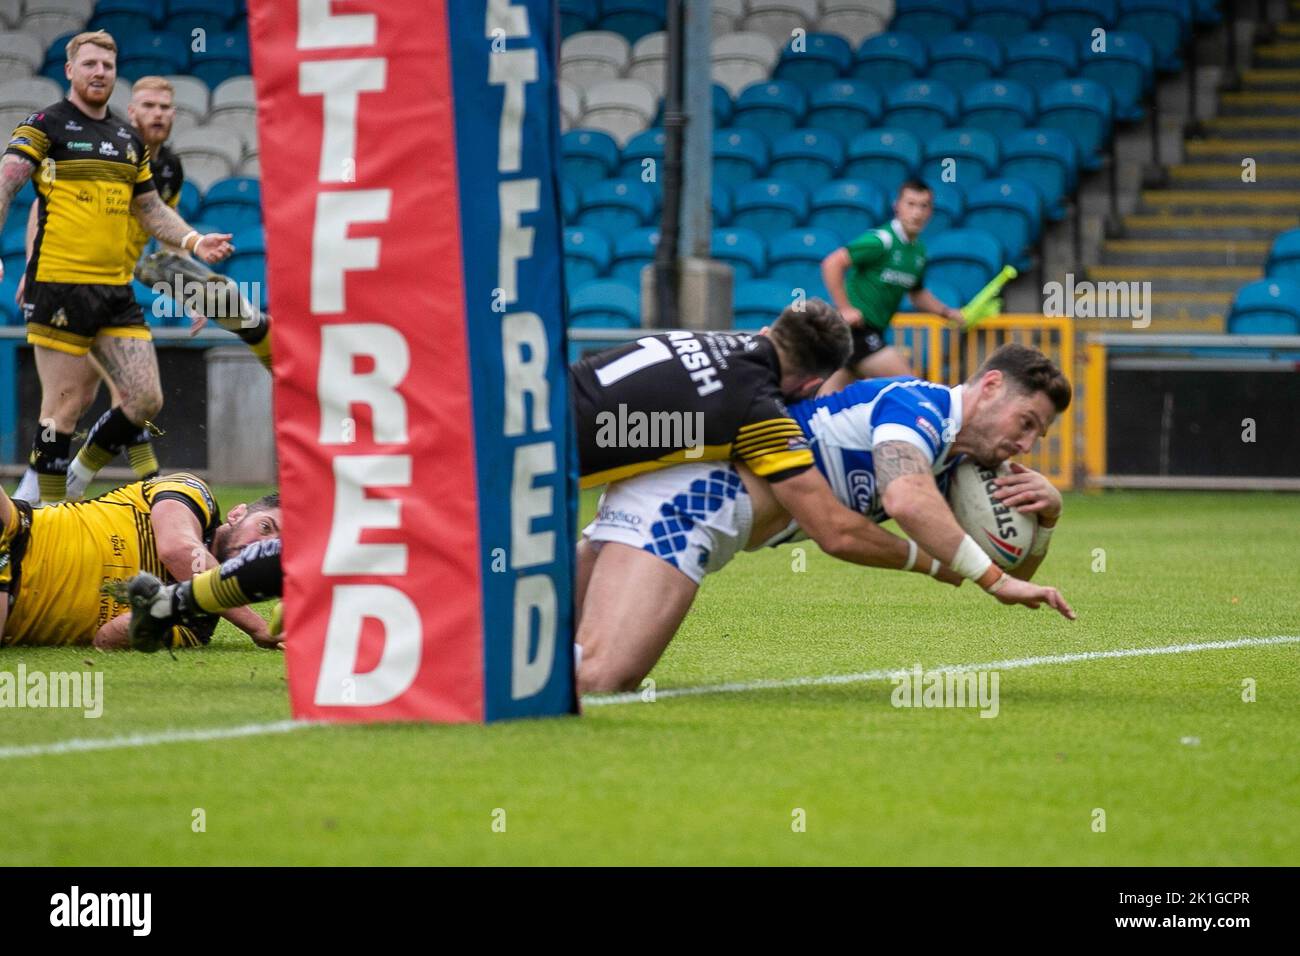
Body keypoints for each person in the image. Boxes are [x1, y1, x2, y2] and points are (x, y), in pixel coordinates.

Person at [576, 343, 1075, 693]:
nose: (1026, 444)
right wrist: (982, 577)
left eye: (1038, 436)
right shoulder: (915, 404)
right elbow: (903, 500)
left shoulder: (952, 463)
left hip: (696, 513)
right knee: (602, 678)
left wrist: (1046, 519)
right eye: (1026, 422)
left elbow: (1011, 580)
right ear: (989, 387)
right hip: (689, 505)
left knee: (548, 661)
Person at [0, 31, 233, 505]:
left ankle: (77, 475)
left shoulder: (127, 140)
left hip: (116, 291)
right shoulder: (46, 125)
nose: (99, 72)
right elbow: (8, 188)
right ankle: (44, 516)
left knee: (145, 400)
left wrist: (193, 241)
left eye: (107, 65)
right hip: (60, 287)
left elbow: (150, 210)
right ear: (70, 70)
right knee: (62, 413)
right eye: (89, 64)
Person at [11, 75, 190, 503]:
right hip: (69, 282)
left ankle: (45, 491)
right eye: (149, 106)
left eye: (165, 108)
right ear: (132, 112)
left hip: (116, 288)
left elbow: (164, 237)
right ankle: (57, 495)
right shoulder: (102, 144)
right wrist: (33, 267)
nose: (158, 115)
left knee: (106, 398)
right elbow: (44, 203)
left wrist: (192, 292)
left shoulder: (169, 169)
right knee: (75, 401)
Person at [0, 474, 280, 650]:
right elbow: (178, 550)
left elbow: (107, 639)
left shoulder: (198, 626)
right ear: (237, 513)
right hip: (15, 532)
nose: (261, 546)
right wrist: (257, 627)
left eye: (275, 548)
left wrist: (160, 610)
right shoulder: (195, 494)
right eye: (265, 527)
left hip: (11, 615)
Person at [819, 179, 965, 392]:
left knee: (827, 402)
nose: (917, 212)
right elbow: (832, 263)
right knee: (912, 385)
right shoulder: (882, 240)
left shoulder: (919, 252)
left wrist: (947, 312)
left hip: (874, 332)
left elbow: (917, 294)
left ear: (931, 212)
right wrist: (845, 308)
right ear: (897, 206)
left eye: (923, 206)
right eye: (911, 204)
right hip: (855, 331)